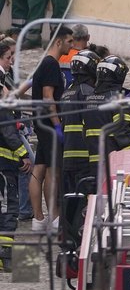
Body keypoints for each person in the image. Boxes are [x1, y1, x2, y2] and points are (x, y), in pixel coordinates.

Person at [29, 25, 72, 231]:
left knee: (40, 168)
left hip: (41, 123)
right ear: (59, 41)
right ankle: (53, 217)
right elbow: (48, 97)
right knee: (53, 171)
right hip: (48, 124)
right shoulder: (51, 64)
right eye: (69, 41)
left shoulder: (45, 63)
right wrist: (58, 126)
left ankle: (39, 220)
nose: (71, 46)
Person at [0, 38, 32, 271]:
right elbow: (7, 127)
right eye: (9, 57)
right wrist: (23, 154)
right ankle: (9, 260)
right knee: (9, 209)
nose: (12, 62)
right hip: (6, 161)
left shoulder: (5, 83)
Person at [83, 55, 130, 180]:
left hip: (93, 162)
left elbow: (84, 131)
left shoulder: (89, 99)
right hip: (114, 162)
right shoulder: (119, 100)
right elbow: (122, 132)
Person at [60, 48, 98, 195]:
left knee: (70, 197)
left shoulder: (67, 92)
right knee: (85, 199)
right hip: (84, 155)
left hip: (68, 155)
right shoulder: (87, 92)